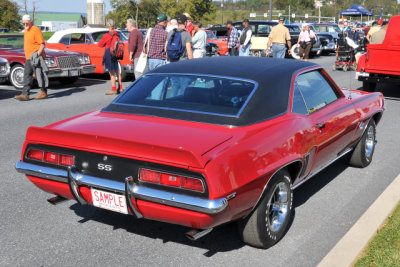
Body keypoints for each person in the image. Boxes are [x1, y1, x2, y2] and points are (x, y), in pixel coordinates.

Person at [15, 14, 47, 101]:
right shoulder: (26, 31)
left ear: (31, 22)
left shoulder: (35, 30)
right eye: (24, 23)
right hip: (29, 57)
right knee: (27, 75)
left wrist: (38, 55)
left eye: (27, 23)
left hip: (36, 56)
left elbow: (42, 44)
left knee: (39, 75)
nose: (25, 25)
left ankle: (43, 92)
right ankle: (25, 94)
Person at [98, 19, 123, 95]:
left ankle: (113, 89)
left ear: (108, 26)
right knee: (117, 71)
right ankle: (120, 87)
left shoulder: (106, 35)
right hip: (116, 54)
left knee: (111, 72)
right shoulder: (117, 35)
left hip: (109, 53)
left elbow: (100, 45)